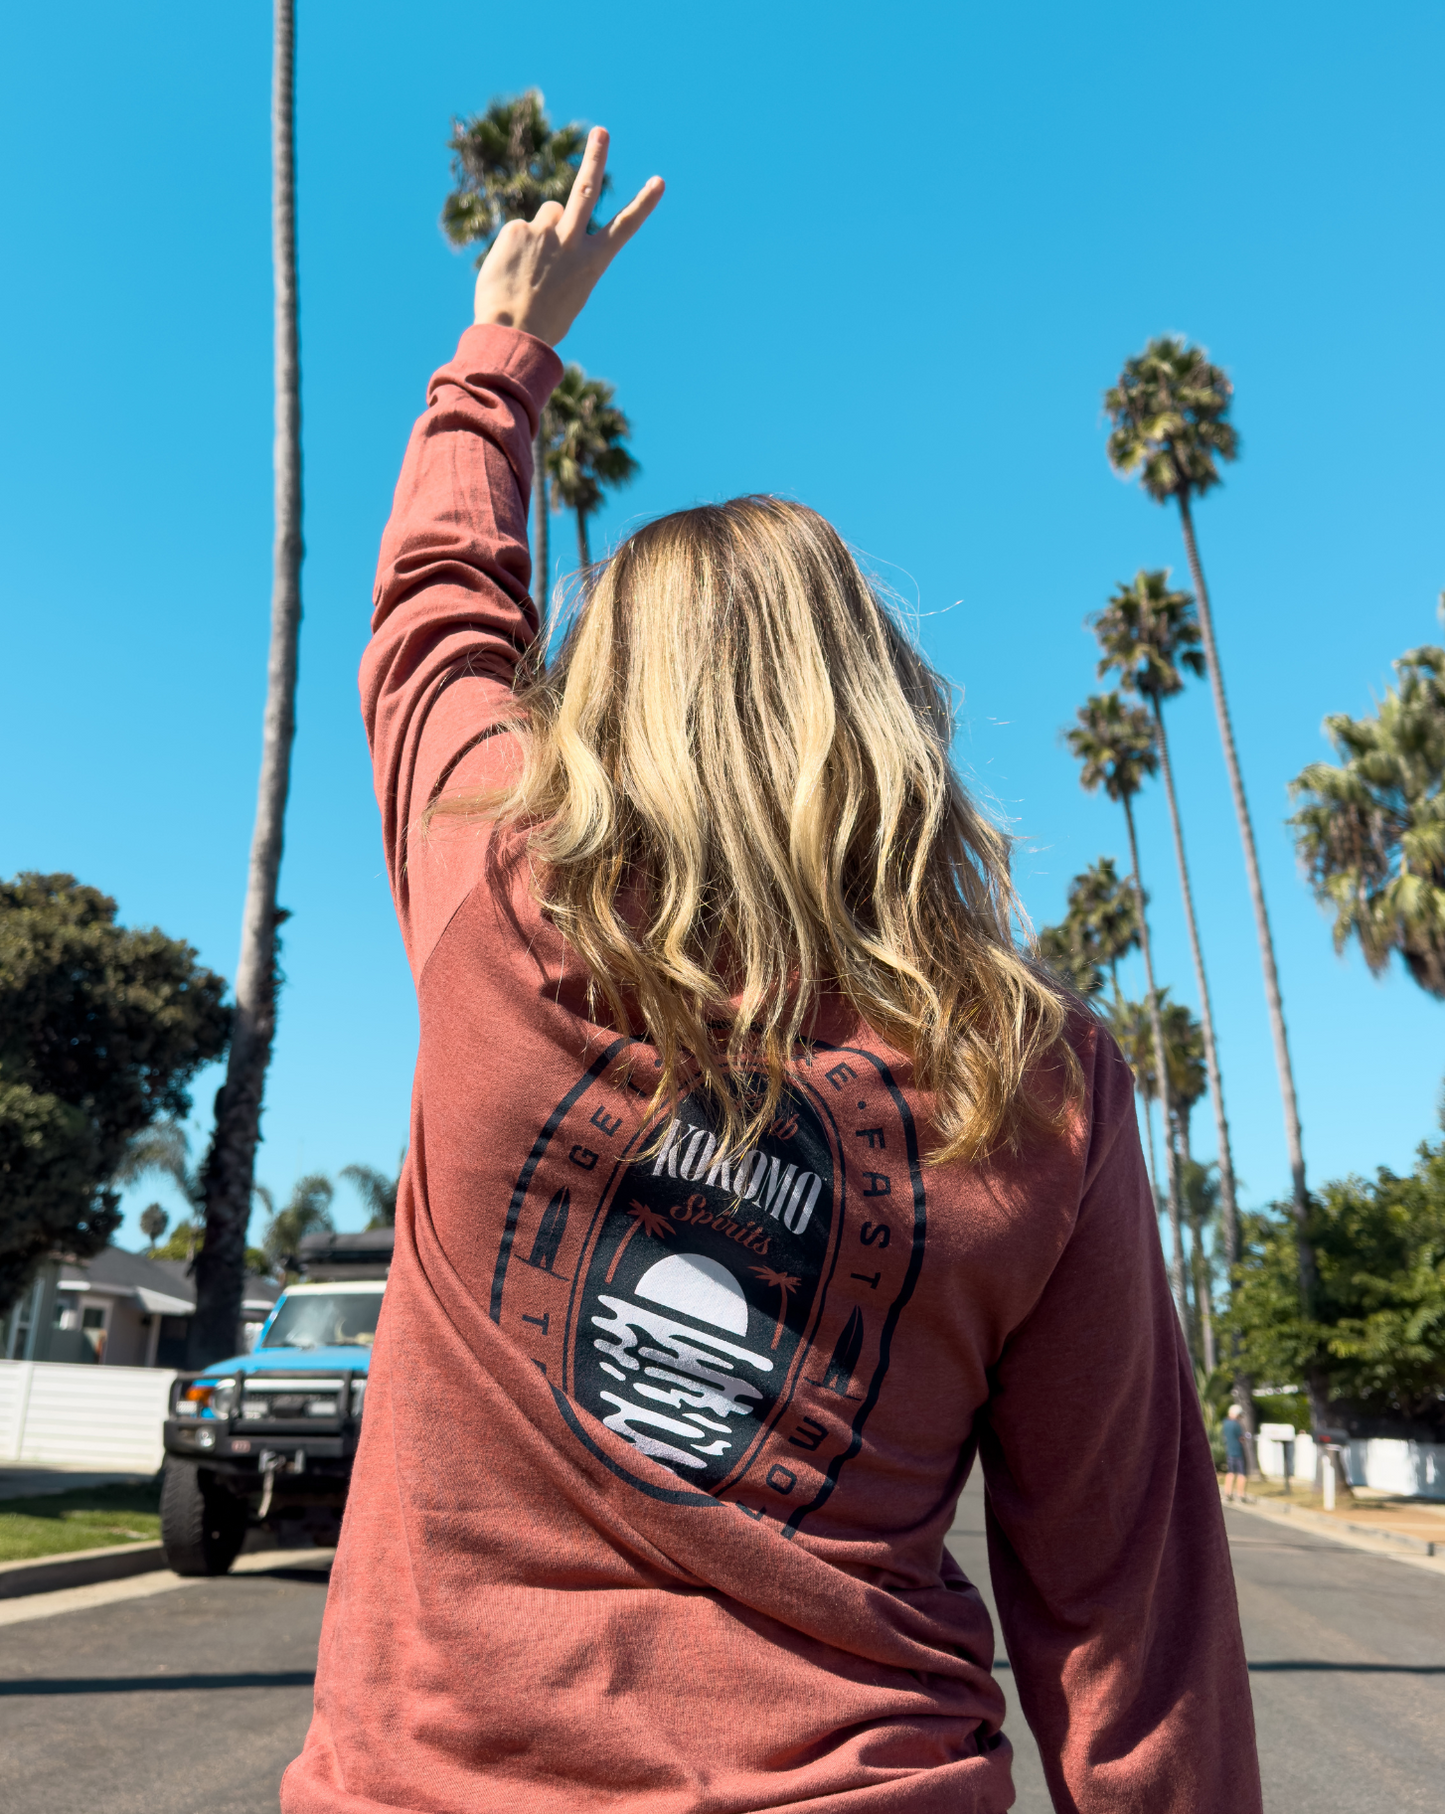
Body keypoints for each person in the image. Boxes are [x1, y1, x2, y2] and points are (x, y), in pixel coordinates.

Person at [283, 129, 1260, 1814]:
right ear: (885, 716)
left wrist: (501, 350)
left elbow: (436, 616)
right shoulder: (1035, 1079)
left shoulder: (498, 896)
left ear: (605, 712)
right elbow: (1126, 1608)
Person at [1223, 1402, 1250, 1500]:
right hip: (1237, 1451)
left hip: (1229, 1450)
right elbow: (1241, 1437)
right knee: (1241, 1474)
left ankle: (1228, 1492)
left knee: (1230, 1472)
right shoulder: (1236, 1424)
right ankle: (1241, 1494)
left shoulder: (1225, 1423)